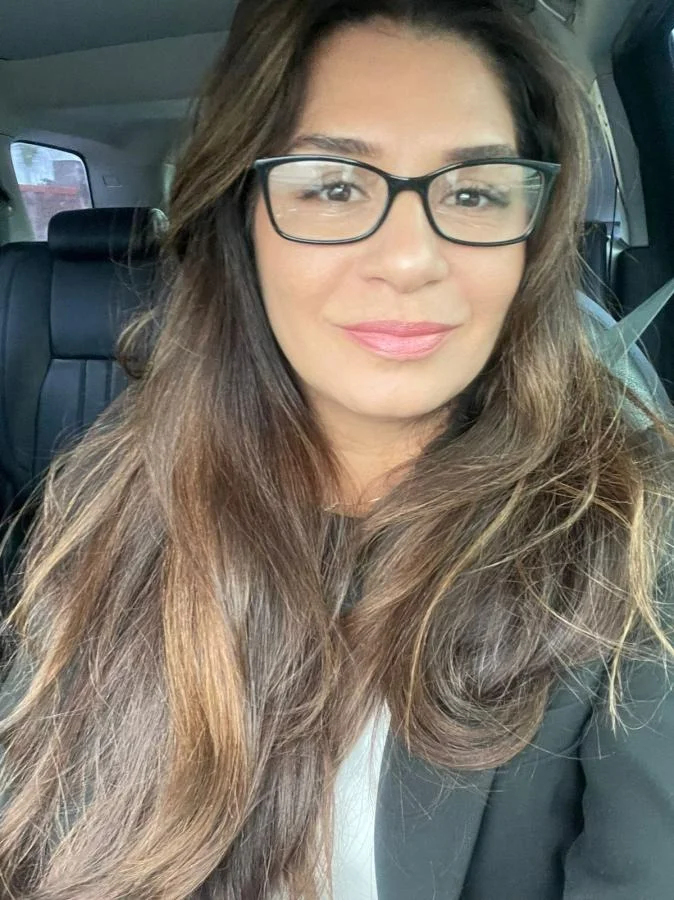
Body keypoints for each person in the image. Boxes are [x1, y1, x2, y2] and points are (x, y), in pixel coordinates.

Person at [0, 0, 673, 897]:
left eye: (474, 192)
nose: (410, 259)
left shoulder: (634, 548)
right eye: (331, 186)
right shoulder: (113, 494)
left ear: (532, 236)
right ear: (242, 223)